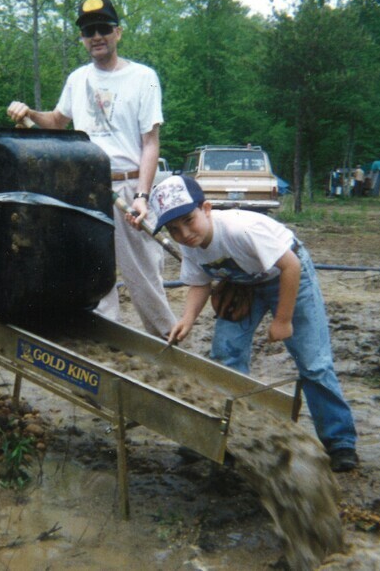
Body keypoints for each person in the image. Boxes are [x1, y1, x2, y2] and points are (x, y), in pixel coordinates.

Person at [149, 175, 359, 472]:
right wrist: (187, 319)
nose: (184, 233)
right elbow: (200, 282)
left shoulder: (239, 230)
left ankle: (340, 442)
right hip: (243, 282)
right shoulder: (190, 245)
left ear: (206, 208)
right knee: (225, 356)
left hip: (287, 276)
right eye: (174, 229)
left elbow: (291, 266)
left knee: (313, 363)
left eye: (188, 220)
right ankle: (223, 434)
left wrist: (283, 320)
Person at [7, 0, 175, 337]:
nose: (96, 36)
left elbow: (150, 142)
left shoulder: (143, 77)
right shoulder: (78, 79)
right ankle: (104, 352)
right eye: (88, 31)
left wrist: (142, 195)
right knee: (92, 276)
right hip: (84, 188)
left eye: (102, 28)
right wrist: (29, 114)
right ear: (83, 39)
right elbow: (56, 120)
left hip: (126, 188)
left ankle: (168, 348)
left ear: (118, 33)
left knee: (143, 277)